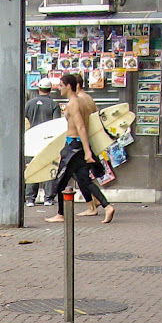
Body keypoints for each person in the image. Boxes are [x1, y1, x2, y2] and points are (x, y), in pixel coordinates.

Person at [46, 74, 114, 224]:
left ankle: (60, 214)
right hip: (79, 146)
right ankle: (107, 206)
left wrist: (87, 151)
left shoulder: (73, 104)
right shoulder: (83, 102)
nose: (59, 89)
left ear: (69, 86)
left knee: (61, 180)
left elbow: (81, 127)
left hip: (74, 146)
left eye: (61, 86)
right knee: (85, 180)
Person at [73, 74, 115, 220]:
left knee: (81, 176)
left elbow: (80, 125)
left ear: (76, 85)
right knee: (80, 175)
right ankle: (94, 203)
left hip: (81, 142)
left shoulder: (78, 100)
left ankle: (98, 205)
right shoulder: (89, 99)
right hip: (89, 141)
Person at [25, 78, 61, 206]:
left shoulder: (29, 104)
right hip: (47, 141)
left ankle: (30, 198)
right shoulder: (54, 105)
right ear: (50, 89)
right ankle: (48, 198)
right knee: (48, 166)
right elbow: (57, 124)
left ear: (38, 88)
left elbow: (24, 122)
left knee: (31, 167)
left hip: (32, 140)